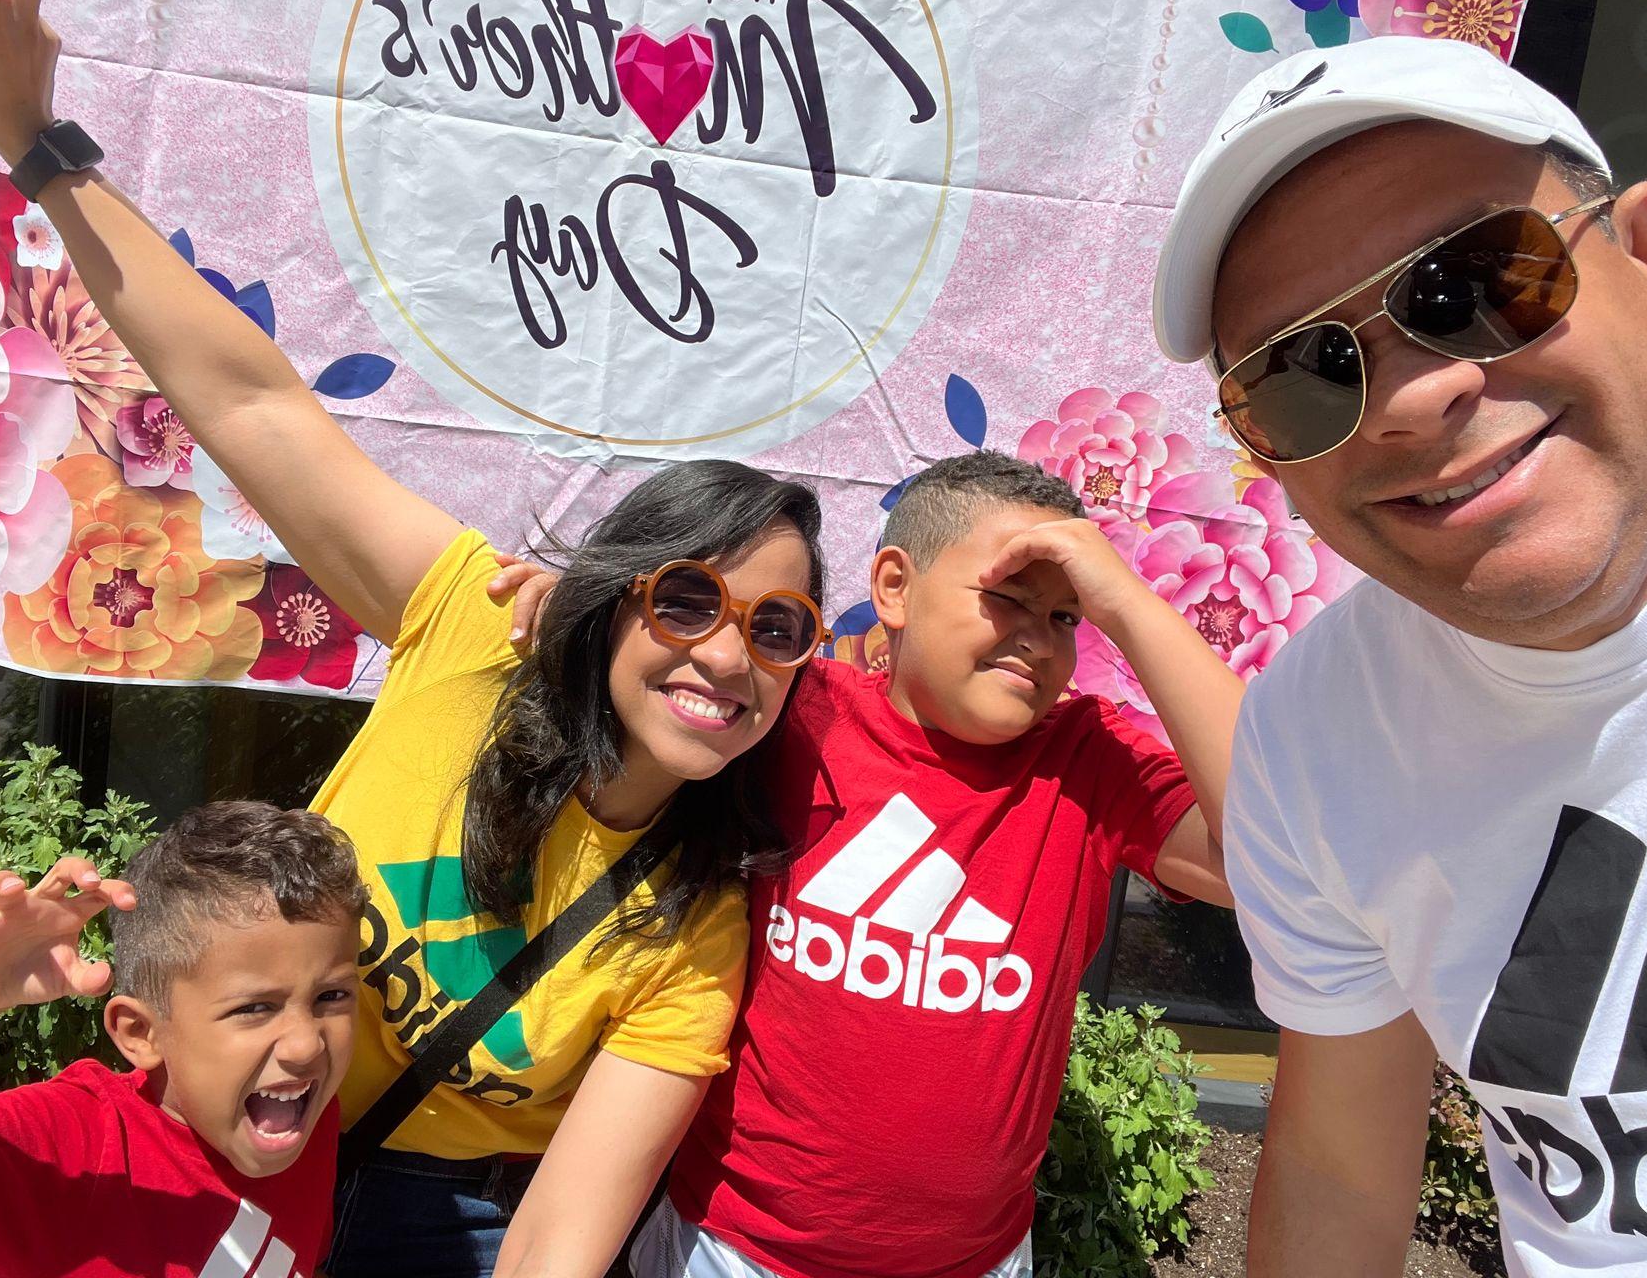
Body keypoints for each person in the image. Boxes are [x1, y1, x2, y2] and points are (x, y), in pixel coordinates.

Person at [0, 0, 828, 1278]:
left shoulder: (692, 924)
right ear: (611, 597)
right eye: (691, 599)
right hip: (219, 1141)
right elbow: (249, 401)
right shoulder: (479, 625)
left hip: (431, 1222)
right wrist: (40, 146)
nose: (730, 653)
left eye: (780, 630)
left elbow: (556, 1242)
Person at [1149, 34, 1647, 1275]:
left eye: (1475, 280)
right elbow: (1338, 1173)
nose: (1411, 399)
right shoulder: (1316, 739)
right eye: (1303, 376)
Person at [502, 450, 1243, 1278]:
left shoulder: (1092, 762)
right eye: (1007, 597)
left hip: (971, 1263)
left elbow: (1283, 851)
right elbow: (650, 687)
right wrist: (566, 614)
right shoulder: (795, 711)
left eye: (1070, 616)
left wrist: (1132, 604)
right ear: (894, 587)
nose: (1038, 638)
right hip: (730, 1248)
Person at [0, 801, 366, 1278]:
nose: (305, 1045)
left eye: (332, 997)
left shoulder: (301, 1124)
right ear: (139, 1033)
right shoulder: (73, 1141)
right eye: (255, 1008)